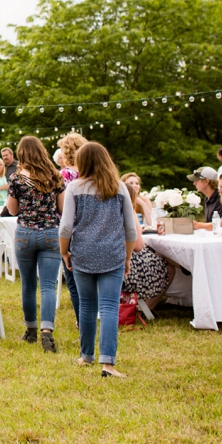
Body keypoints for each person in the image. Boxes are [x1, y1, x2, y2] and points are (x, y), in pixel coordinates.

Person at [59, 142, 137, 378]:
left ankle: (86, 356)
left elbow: (65, 228)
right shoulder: (119, 187)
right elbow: (131, 230)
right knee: (109, 307)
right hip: (112, 254)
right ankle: (108, 364)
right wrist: (128, 256)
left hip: (82, 253)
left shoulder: (74, 187)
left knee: (87, 305)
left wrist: (65, 252)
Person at [7, 135, 65, 352]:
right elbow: (62, 209)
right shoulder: (55, 177)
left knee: (28, 284)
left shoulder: (16, 179)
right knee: (48, 286)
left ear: (21, 154)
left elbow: (13, 210)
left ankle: (30, 329)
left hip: (25, 234)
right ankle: (47, 333)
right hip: (50, 233)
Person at [120, 174, 173, 311]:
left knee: (158, 256)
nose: (135, 185)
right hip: (127, 270)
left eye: (137, 183)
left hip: (105, 263)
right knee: (170, 266)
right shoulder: (128, 209)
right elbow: (138, 245)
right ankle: (147, 308)